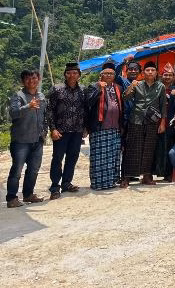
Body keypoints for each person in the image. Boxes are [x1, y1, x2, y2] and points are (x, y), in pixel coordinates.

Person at [121, 61, 167, 188]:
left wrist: (162, 123)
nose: (150, 72)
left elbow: (163, 106)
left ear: (156, 73)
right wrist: (131, 86)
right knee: (132, 149)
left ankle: (146, 176)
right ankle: (126, 177)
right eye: (148, 70)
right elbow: (125, 98)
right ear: (143, 73)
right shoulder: (137, 84)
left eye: (152, 70)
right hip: (136, 120)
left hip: (152, 121)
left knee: (149, 149)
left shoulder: (161, 87)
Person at [6, 69, 47, 207]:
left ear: (38, 79)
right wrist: (28, 106)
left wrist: (44, 132)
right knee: (17, 170)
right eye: (28, 78)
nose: (31, 81)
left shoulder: (41, 96)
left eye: (34, 78)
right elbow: (13, 113)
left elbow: (44, 116)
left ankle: (28, 195)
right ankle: (11, 198)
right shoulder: (18, 96)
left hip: (37, 139)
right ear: (23, 81)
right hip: (20, 141)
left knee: (34, 170)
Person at [46, 62, 87, 200]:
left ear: (79, 75)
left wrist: (85, 127)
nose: (72, 75)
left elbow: (85, 110)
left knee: (72, 157)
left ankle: (66, 183)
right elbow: (49, 110)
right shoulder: (56, 89)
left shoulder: (83, 90)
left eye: (75, 73)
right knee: (57, 158)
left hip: (77, 130)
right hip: (61, 130)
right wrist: (52, 129)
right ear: (65, 74)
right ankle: (54, 186)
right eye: (69, 73)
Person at [85, 62, 125, 191]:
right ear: (101, 75)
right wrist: (99, 89)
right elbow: (88, 102)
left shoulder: (118, 88)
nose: (108, 75)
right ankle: (98, 183)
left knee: (113, 156)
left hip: (115, 128)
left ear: (114, 75)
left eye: (111, 73)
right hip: (99, 128)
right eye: (106, 73)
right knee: (99, 157)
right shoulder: (93, 86)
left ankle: (111, 181)